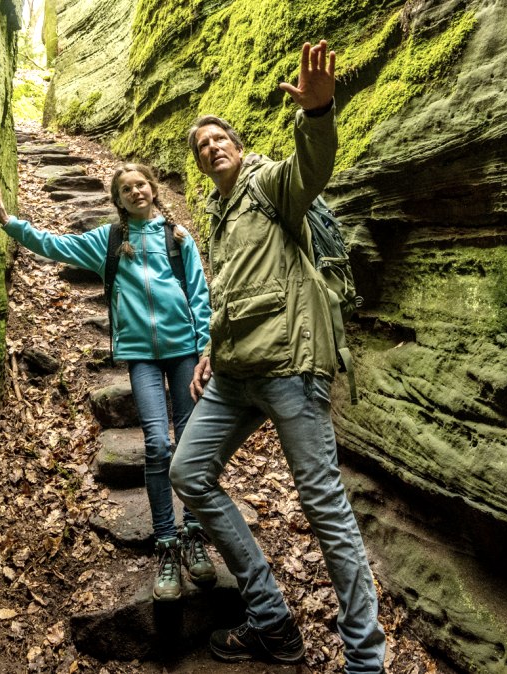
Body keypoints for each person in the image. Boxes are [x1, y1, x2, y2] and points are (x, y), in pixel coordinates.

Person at [170, 41, 386, 672]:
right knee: (189, 474)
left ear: (236, 145)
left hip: (292, 368)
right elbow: (234, 292)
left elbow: (312, 165)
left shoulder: (270, 182)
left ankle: (365, 660)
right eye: (200, 145)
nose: (211, 146)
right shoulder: (218, 214)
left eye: (218, 138)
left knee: (324, 507)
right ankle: (271, 618)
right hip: (235, 375)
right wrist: (212, 345)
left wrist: (318, 115)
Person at [0, 164, 218, 602]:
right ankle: (167, 545)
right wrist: (11, 224)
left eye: (141, 184)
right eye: (126, 188)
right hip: (140, 356)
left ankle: (195, 536)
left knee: (190, 441)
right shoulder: (109, 240)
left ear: (153, 189)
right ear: (118, 199)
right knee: (157, 443)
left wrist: (205, 345)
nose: (135, 191)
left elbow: (198, 292)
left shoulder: (178, 238)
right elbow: (57, 246)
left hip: (185, 352)